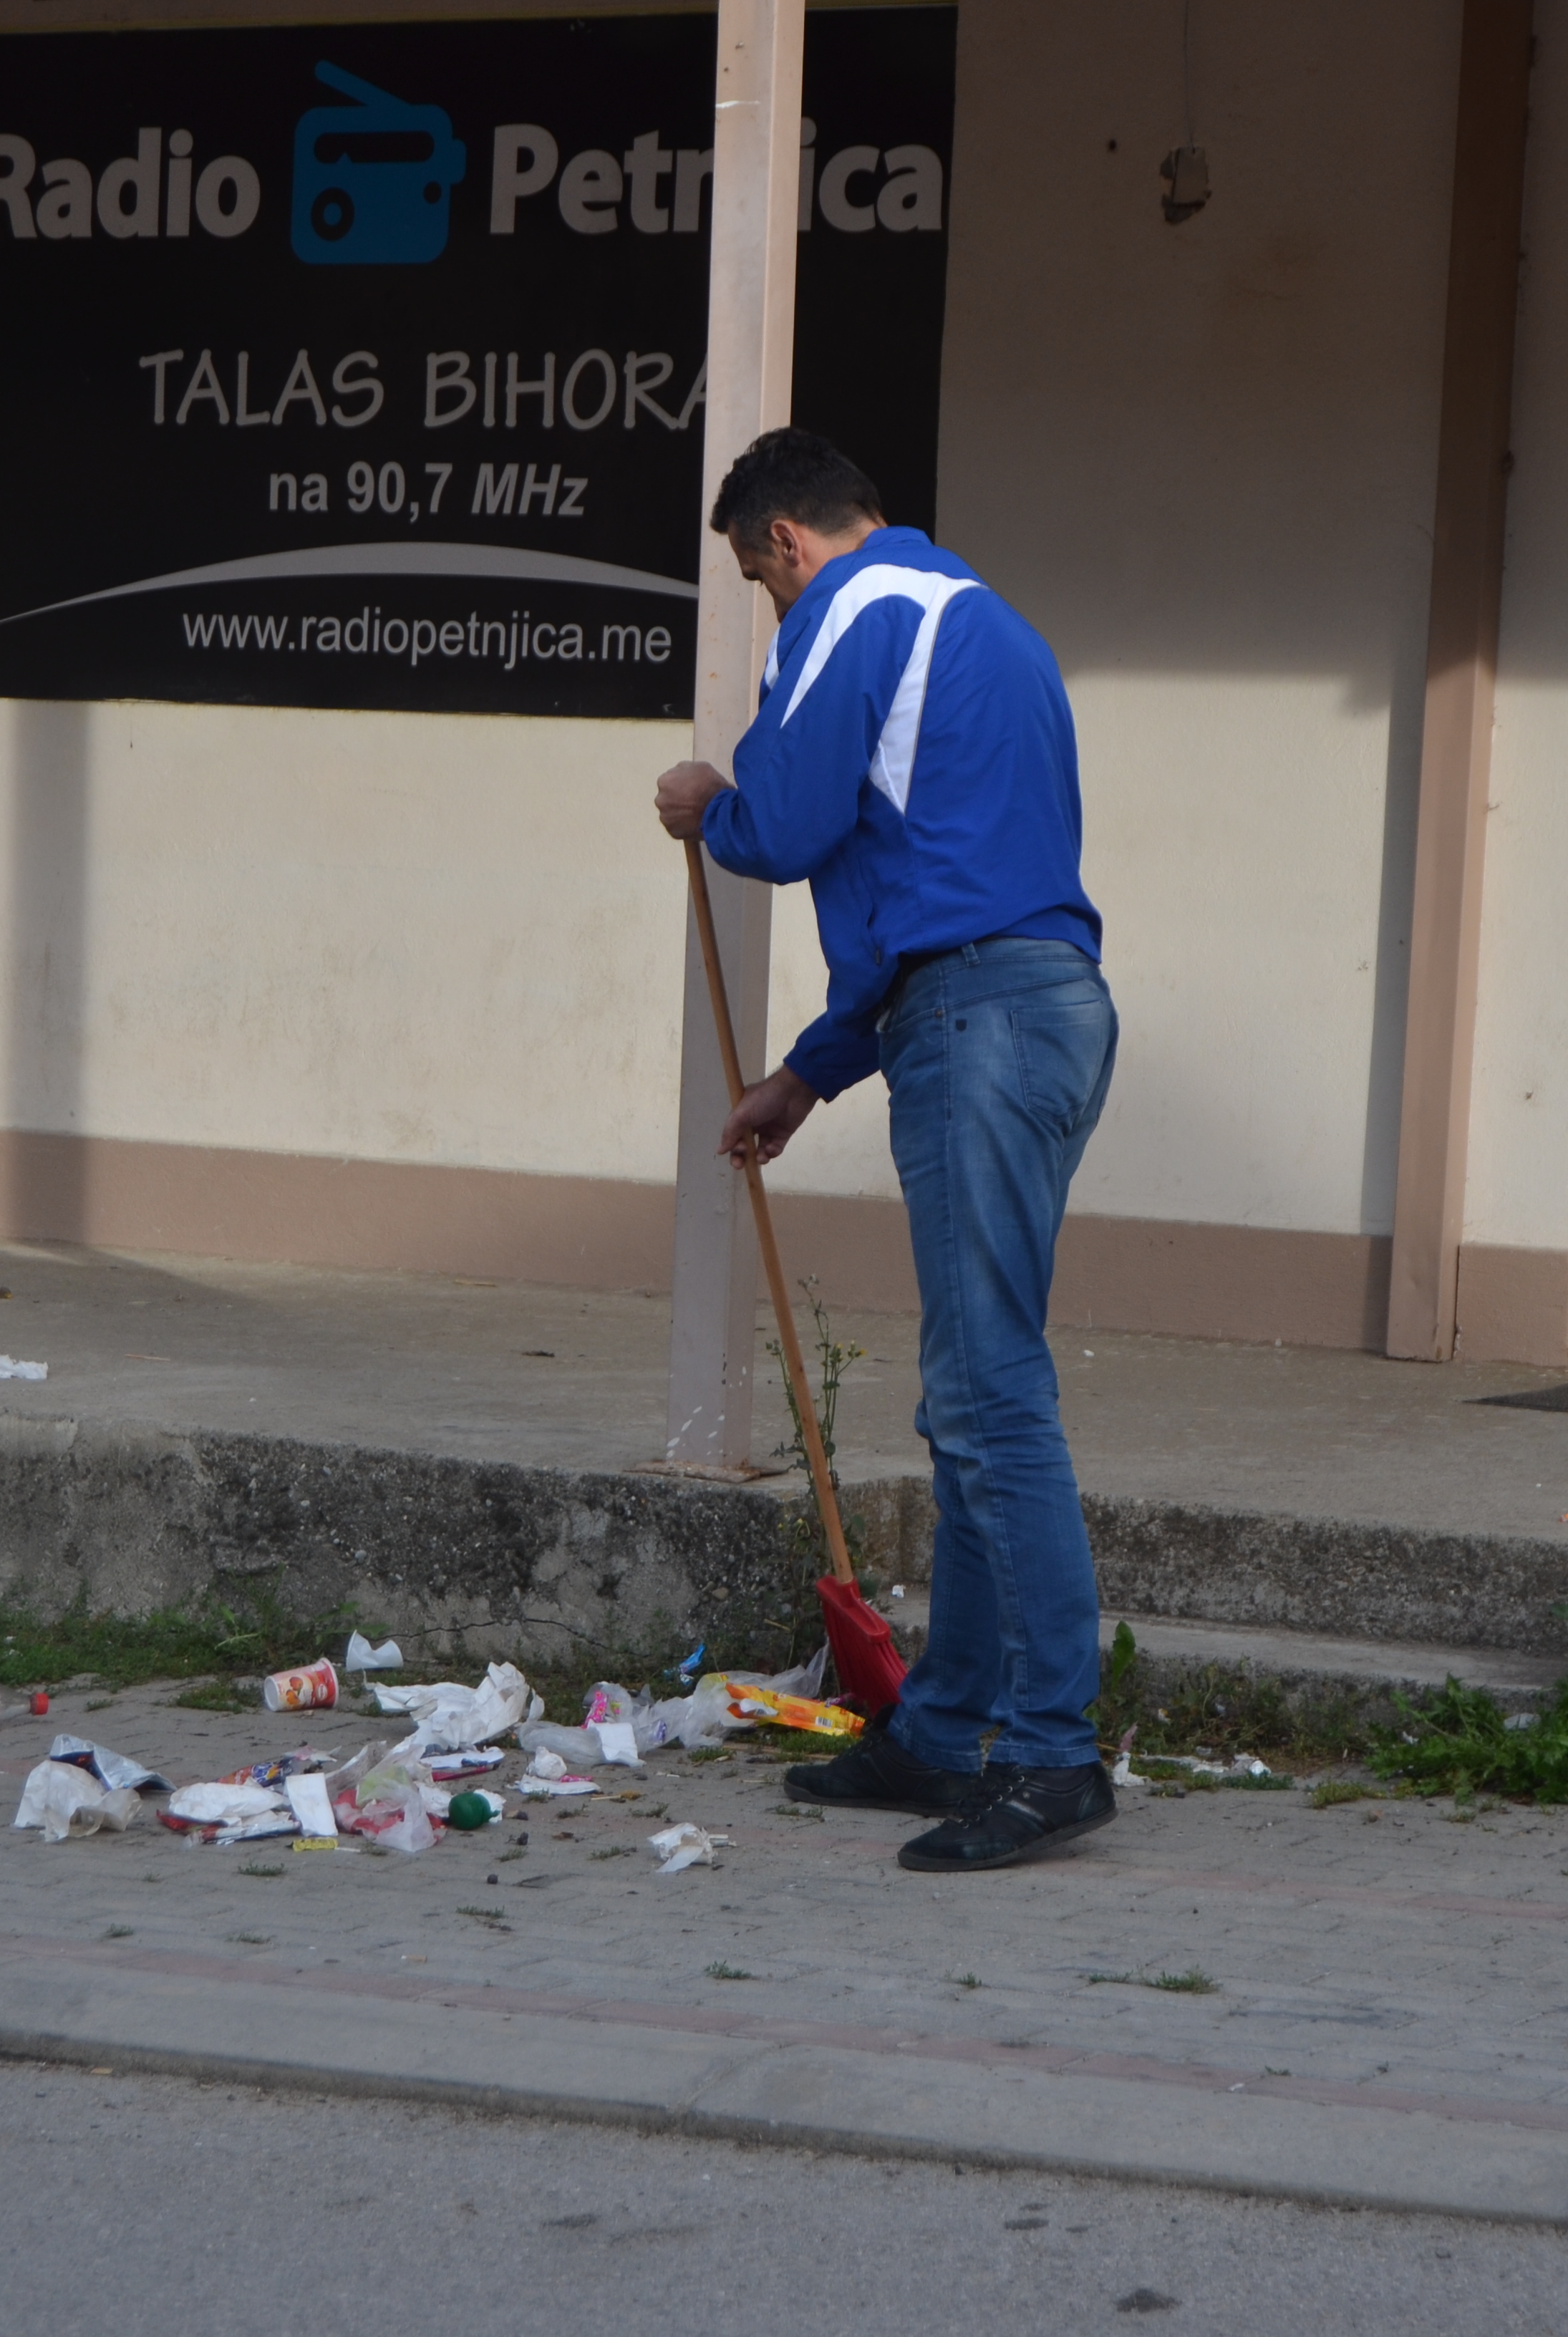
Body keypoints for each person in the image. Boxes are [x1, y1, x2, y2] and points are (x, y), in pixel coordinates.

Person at [652, 427, 1118, 1874]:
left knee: (992, 1397)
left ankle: (1049, 1754)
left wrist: (705, 805)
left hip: (977, 1023)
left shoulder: (851, 614)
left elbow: (785, 827)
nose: (767, 606)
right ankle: (944, 1728)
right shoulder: (982, 622)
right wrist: (809, 1072)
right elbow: (949, 873)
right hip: (1018, 1007)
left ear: (788, 541)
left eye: (756, 580)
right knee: (965, 1396)